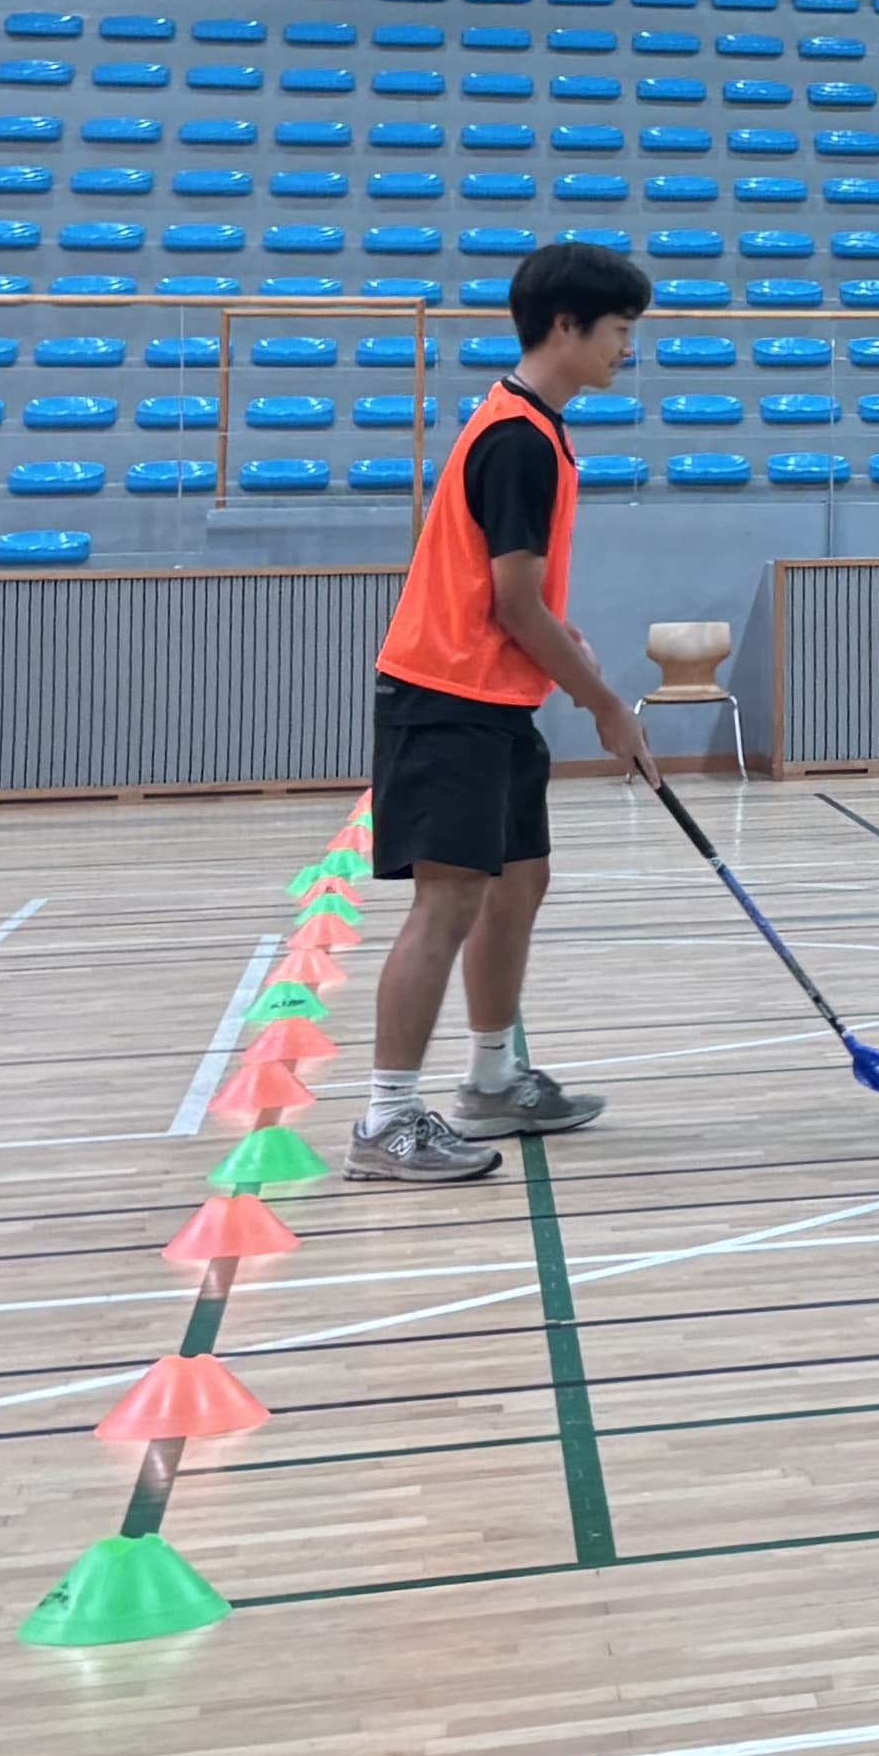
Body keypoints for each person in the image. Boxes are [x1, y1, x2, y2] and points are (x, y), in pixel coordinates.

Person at [348, 240, 656, 1188]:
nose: (625, 350)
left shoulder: (536, 428)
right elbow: (511, 603)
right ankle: (386, 1120)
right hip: (445, 700)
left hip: (495, 698)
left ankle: (491, 1081)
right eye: (618, 331)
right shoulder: (517, 438)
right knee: (446, 900)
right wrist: (605, 702)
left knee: (519, 883)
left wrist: (569, 649)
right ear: (566, 325)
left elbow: (518, 597)